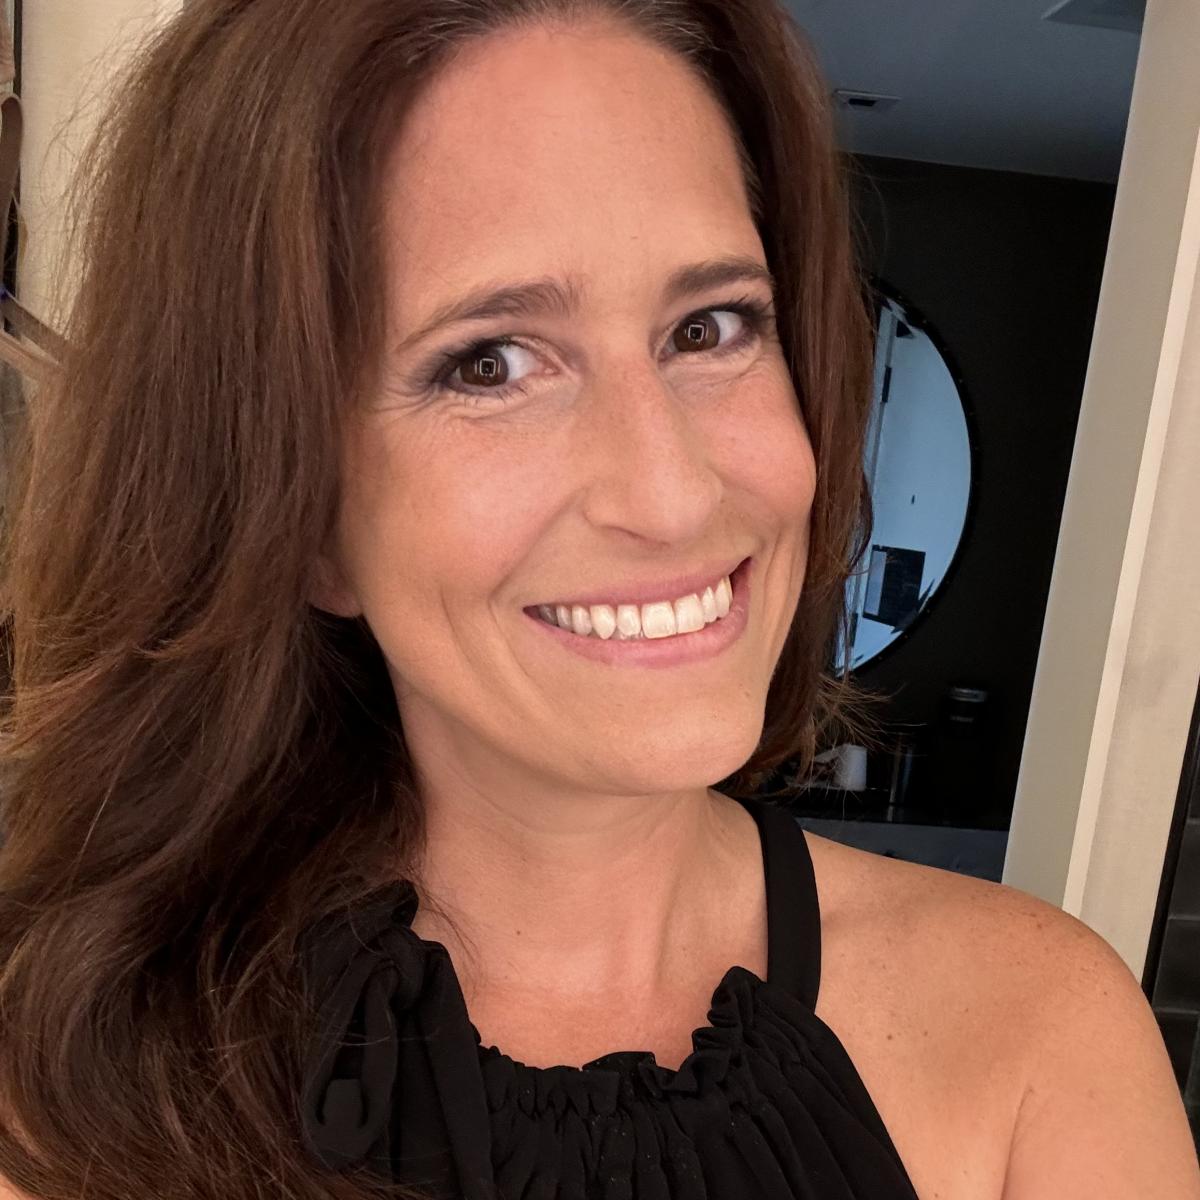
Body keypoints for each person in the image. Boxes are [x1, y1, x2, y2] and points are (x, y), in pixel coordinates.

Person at [1, 1, 1197, 1197]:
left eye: (709, 328)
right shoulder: (66, 1078)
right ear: (297, 510)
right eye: (491, 364)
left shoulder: (1040, 1036)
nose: (673, 496)